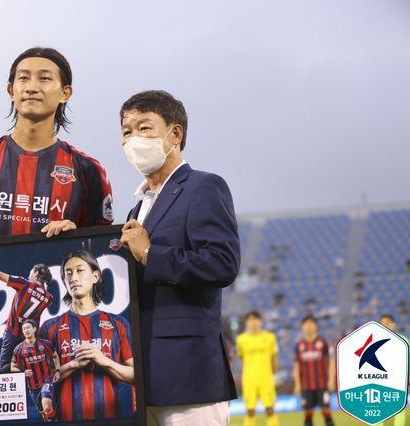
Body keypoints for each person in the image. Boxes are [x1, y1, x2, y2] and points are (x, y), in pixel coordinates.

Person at [0, 46, 113, 426]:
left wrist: (78, 237)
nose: (32, 86)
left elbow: (104, 257)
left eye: (45, 78)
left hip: (49, 344)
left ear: (65, 92)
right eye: (23, 78)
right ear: (10, 89)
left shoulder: (86, 171)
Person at [118, 90, 239, 426]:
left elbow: (222, 263)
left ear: (175, 134)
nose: (133, 138)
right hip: (141, 378)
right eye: (127, 131)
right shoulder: (136, 209)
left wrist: (149, 254)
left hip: (189, 374)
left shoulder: (204, 186)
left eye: (144, 128)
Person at [40, 249, 134, 422]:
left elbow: (136, 375)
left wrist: (104, 361)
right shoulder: (50, 327)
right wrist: (74, 364)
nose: (73, 278)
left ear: (95, 276)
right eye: (68, 273)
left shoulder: (118, 324)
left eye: (80, 270)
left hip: (112, 419)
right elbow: (41, 380)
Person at [0, 263, 54, 372]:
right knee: (26, 366)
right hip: (28, 337)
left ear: (36, 274)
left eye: (30, 273)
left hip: (12, 333)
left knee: (4, 369)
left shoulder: (24, 284)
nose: (28, 276)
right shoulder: (49, 298)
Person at [11, 319, 60, 422]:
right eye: (24, 329)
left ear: (34, 329)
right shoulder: (18, 349)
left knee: (47, 406)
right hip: (33, 385)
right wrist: (23, 373)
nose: (26, 330)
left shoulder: (45, 344)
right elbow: (13, 367)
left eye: (28, 328)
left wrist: (57, 371)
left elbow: (55, 356)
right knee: (43, 414)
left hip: (47, 379)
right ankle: (53, 420)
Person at [237, 311, 280, 426]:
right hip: (249, 380)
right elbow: (242, 359)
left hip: (266, 378)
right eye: (250, 320)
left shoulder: (270, 337)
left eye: (255, 319)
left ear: (260, 321)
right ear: (246, 323)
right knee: (250, 411)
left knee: (270, 409)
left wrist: (274, 374)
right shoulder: (241, 339)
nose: (253, 322)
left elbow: (274, 356)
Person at [293, 315, 335, 426]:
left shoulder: (324, 342)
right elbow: (296, 366)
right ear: (302, 327)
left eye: (311, 323)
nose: (309, 326)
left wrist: (331, 380)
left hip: (322, 384)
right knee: (308, 413)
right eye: (306, 324)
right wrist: (297, 384)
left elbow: (331, 362)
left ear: (316, 326)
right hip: (306, 385)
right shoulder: (299, 345)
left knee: (326, 411)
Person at [377, 314, 408, 426]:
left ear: (393, 324)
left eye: (387, 323)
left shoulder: (403, 340)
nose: (385, 326)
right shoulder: (374, 342)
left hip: (399, 380)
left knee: (399, 410)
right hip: (379, 380)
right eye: (382, 324)